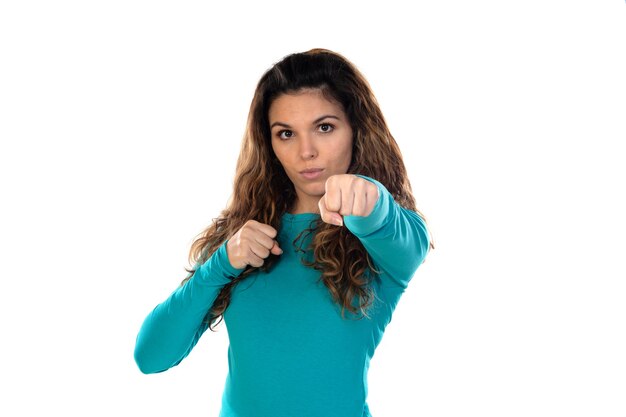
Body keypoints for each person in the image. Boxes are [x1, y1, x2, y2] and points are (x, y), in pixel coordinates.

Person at [134, 48, 434, 417]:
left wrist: (368, 197)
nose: (306, 151)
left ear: (357, 130)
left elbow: (385, 222)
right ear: (270, 144)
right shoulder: (242, 235)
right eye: (286, 133)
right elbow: (150, 357)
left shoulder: (387, 236)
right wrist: (222, 263)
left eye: (325, 127)